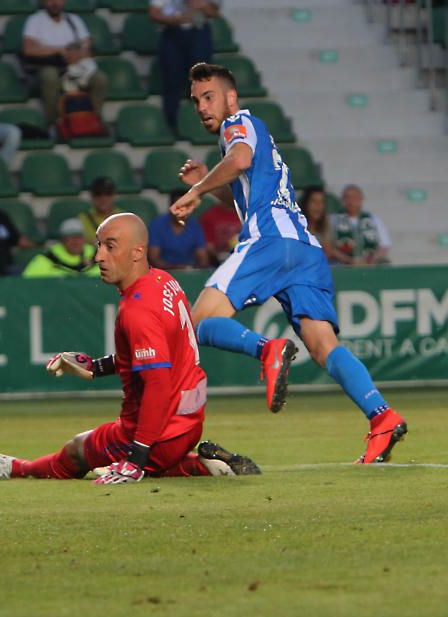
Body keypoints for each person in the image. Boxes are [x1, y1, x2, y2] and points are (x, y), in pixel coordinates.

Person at [168, 63, 406, 463]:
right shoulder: (258, 134)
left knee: (197, 322)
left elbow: (240, 160)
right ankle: (381, 416)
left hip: (270, 242)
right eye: (195, 101)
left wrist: (195, 188)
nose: (201, 107)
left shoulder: (237, 124)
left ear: (230, 97)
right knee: (323, 345)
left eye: (209, 97)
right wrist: (209, 184)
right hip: (304, 249)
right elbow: (244, 190)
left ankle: (268, 350)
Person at [0, 213, 260, 483]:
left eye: (110, 247)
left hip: (156, 432)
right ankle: (203, 465)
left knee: (77, 450)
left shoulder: (137, 310)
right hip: (189, 424)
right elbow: (156, 356)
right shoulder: (164, 281)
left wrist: (137, 458)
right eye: (98, 246)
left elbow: (157, 383)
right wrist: (96, 366)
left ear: (137, 252)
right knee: (134, 460)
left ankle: (15, 469)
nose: (98, 257)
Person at [21, 0, 108, 127]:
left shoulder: (74, 20)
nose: (55, 3)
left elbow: (88, 47)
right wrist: (58, 51)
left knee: (100, 78)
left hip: (73, 69)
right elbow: (28, 49)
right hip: (44, 70)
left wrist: (78, 55)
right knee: (49, 75)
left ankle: (93, 121)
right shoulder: (35, 20)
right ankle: (54, 123)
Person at [149, 0, 219, 132]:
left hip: (198, 32)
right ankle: (172, 125)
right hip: (172, 33)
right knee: (172, 82)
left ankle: (202, 123)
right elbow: (153, 13)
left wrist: (202, 6)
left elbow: (214, 13)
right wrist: (172, 20)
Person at [148, 191, 211, 270]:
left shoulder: (195, 225)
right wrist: (176, 268)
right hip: (163, 273)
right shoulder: (157, 224)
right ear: (171, 207)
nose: (182, 210)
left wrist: (195, 269)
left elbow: (203, 258)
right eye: (179, 207)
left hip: (189, 272)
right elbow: (154, 259)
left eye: (186, 206)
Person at [331, 184, 391, 266]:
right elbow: (328, 246)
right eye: (347, 197)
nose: (351, 201)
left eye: (354, 197)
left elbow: (384, 245)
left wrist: (372, 259)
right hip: (342, 265)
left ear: (361, 199)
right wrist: (349, 260)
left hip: (370, 265)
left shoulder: (373, 219)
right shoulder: (333, 219)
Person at [22, 218, 100, 277]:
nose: (75, 242)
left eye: (78, 237)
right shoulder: (49, 258)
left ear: (84, 238)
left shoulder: (98, 256)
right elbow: (27, 284)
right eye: (70, 238)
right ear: (62, 240)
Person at [199, 197, 241, 265]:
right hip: (217, 261)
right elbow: (209, 245)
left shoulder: (245, 213)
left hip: (242, 257)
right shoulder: (209, 215)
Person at [77, 176, 120, 241]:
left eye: (108, 193)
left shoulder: (124, 217)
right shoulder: (82, 220)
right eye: (98, 194)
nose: (103, 198)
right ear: (91, 196)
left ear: (114, 195)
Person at [299, 187, 335, 263]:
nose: (318, 206)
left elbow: (328, 252)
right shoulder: (297, 226)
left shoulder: (327, 224)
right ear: (306, 204)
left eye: (321, 202)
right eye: (314, 201)